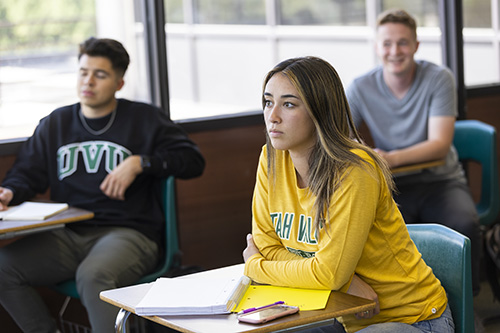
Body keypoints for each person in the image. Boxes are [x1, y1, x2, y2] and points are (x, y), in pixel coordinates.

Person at [0, 37, 205, 333]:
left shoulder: (143, 119)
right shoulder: (56, 123)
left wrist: (140, 163)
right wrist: (10, 192)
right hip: (68, 234)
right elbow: (27, 173)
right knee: (3, 267)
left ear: (119, 83)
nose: (89, 81)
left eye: (100, 74)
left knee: (93, 276)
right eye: (83, 72)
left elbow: (192, 160)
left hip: (129, 233)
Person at [242, 56, 455, 333]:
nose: (273, 116)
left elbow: (322, 271)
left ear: (321, 110)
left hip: (412, 318)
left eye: (289, 104)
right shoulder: (270, 159)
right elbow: (268, 246)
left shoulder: (354, 170)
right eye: (268, 102)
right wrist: (345, 281)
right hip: (342, 313)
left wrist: (255, 268)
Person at [345, 9, 481, 296]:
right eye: (387, 43)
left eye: (403, 43)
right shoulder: (360, 86)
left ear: (416, 46)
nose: (395, 51)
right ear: (377, 47)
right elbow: (339, 137)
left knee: (463, 224)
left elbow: (439, 145)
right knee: (374, 237)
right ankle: (409, 305)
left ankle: (468, 304)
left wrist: (388, 158)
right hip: (392, 186)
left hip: (440, 181)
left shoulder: (438, 78)